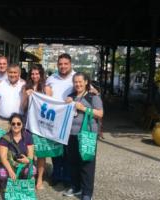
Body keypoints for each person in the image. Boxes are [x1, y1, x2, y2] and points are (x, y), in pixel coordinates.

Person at [63, 72, 103, 200]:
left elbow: (100, 114)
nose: (78, 84)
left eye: (80, 82)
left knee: (87, 163)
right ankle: (76, 187)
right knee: (73, 162)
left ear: (86, 82)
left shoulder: (93, 97)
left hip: (87, 135)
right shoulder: (71, 96)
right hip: (71, 134)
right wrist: (66, 103)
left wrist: (84, 109)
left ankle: (87, 193)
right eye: (75, 82)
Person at [46, 53, 76, 186]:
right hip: (55, 120)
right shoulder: (51, 78)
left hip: (70, 120)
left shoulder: (77, 77)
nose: (63, 66)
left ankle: (68, 177)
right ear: (57, 65)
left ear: (70, 64)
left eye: (65, 64)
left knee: (68, 151)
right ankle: (57, 174)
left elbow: (88, 91)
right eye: (60, 64)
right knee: (55, 150)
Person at [21, 64, 53, 190]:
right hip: (28, 123)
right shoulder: (26, 87)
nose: (34, 76)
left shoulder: (47, 88)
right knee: (28, 151)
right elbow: (22, 106)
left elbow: (51, 107)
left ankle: (40, 178)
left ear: (41, 74)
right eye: (32, 74)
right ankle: (30, 176)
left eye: (37, 73)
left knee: (41, 153)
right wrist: (26, 96)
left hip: (41, 126)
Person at [0, 113, 36, 190]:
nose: (16, 126)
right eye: (13, 124)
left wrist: (28, 160)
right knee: (3, 173)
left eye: (18, 123)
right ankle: (5, 184)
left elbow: (31, 155)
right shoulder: (4, 138)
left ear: (22, 125)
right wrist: (10, 171)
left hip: (23, 165)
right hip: (10, 164)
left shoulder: (28, 136)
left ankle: (24, 182)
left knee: (32, 170)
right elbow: (3, 158)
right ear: (10, 125)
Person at [0, 63, 25, 131]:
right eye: (10, 72)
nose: (12, 75)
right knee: (0, 142)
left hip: (18, 123)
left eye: (15, 72)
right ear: (7, 73)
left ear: (19, 74)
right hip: (1, 122)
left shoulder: (24, 86)